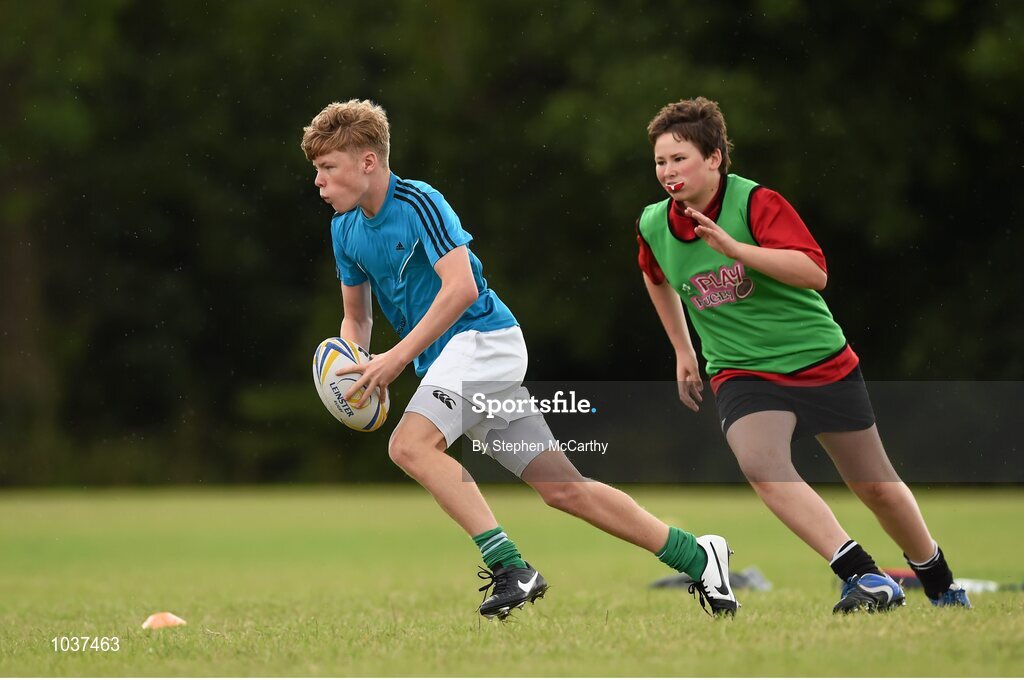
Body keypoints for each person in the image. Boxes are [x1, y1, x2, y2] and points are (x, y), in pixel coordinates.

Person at [300, 99, 737, 619]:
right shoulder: (343, 229)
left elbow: (460, 288)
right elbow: (357, 318)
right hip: (450, 362)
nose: (320, 183)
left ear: (367, 162)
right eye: (318, 172)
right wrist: (356, 365)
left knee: (409, 446)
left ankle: (510, 567)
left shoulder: (418, 203)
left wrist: (393, 360)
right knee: (564, 490)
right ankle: (698, 554)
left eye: (328, 168)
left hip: (484, 341)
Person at [636, 96, 971, 613]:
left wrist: (737, 250)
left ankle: (941, 582)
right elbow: (654, 274)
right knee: (761, 464)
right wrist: (683, 348)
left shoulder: (757, 204)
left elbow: (815, 273)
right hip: (741, 370)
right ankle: (864, 576)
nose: (668, 171)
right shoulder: (655, 223)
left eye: (679, 158)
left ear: (714, 159)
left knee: (875, 486)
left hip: (819, 360)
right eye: (660, 161)